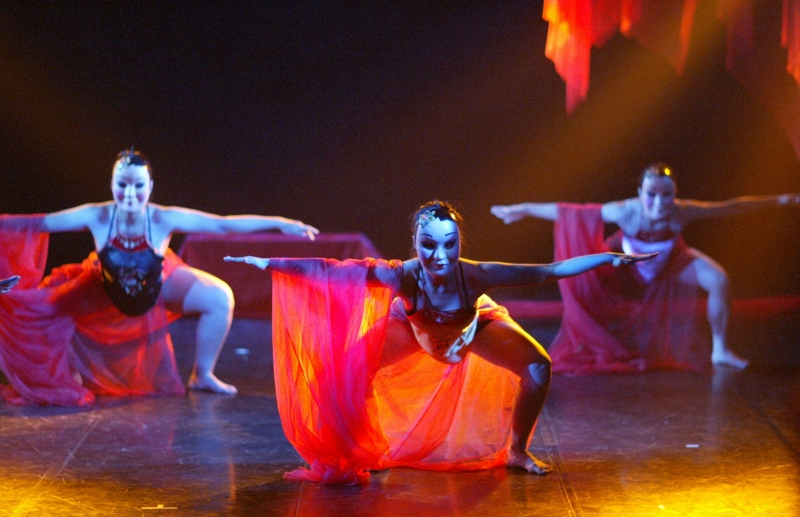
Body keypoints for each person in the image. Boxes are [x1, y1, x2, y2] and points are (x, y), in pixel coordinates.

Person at [225, 200, 654, 484]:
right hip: (415, 330)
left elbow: (548, 271)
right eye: (428, 246)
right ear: (415, 243)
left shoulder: (477, 274)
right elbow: (336, 271)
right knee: (344, 372)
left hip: (469, 329)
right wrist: (268, 262)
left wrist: (608, 257)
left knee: (538, 365)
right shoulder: (403, 275)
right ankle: (353, 451)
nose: (440, 257)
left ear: (459, 243)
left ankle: (517, 451)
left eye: (449, 245)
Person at [0, 148, 318, 406]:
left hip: (157, 285)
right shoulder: (97, 215)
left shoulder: (162, 218)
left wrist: (280, 222)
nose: (129, 193)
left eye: (138, 185)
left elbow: (223, 224)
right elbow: (34, 224)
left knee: (219, 297)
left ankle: (203, 375)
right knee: (38, 309)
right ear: (112, 184)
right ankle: (65, 375)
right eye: (122, 184)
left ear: (150, 187)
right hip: (104, 289)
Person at [491, 163, 800, 374]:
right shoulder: (625, 212)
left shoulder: (682, 212)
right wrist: (524, 209)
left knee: (719, 279)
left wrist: (783, 200)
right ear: (640, 193)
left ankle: (720, 349)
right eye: (652, 195)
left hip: (668, 260)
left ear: (674, 194)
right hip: (626, 264)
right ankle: (587, 336)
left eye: (667, 195)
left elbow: (730, 207)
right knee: (586, 272)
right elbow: (573, 212)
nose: (659, 203)